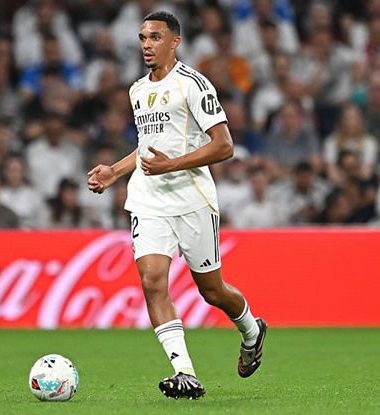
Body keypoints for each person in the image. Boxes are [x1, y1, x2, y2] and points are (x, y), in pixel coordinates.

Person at [86, 11, 266, 400]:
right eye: (142, 37)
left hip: (191, 198)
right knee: (152, 281)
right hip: (148, 199)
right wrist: (115, 171)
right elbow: (147, 146)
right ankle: (184, 372)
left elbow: (224, 145)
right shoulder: (137, 90)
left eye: (155, 37)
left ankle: (252, 329)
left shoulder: (193, 85)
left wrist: (172, 165)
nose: (146, 44)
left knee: (212, 291)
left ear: (175, 42)